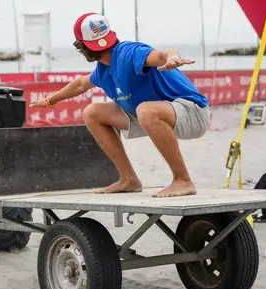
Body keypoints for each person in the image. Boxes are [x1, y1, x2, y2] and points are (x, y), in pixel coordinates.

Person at [31, 12, 210, 198]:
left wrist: (172, 58)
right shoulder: (103, 70)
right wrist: (50, 100)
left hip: (193, 113)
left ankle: (183, 180)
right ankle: (128, 180)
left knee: (146, 110)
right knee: (92, 112)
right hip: (154, 115)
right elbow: (80, 84)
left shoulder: (128, 53)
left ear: (81, 47)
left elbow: (162, 54)